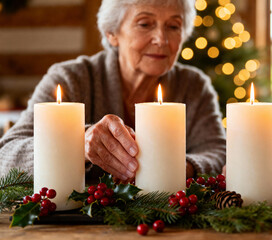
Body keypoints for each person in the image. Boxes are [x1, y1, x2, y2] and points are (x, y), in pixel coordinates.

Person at [0, 0, 226, 181]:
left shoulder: (194, 85)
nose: (162, 39)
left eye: (174, 26)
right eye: (145, 24)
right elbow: (5, 156)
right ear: (112, 33)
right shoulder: (70, 79)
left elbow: (219, 154)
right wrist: (79, 143)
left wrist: (180, 168)